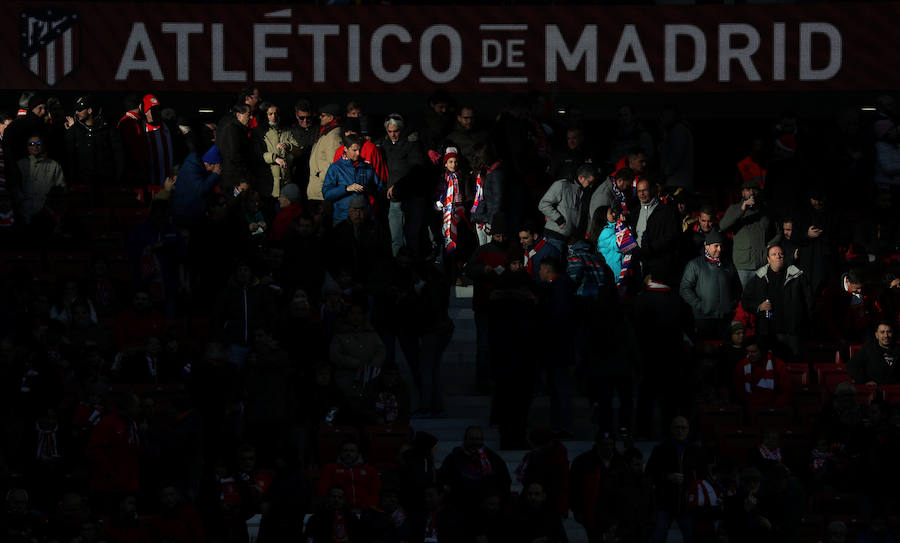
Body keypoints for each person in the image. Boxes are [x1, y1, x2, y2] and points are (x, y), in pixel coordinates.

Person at [742, 244, 812, 360]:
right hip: (768, 333)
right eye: (774, 254)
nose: (778, 256)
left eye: (781, 254)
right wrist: (759, 306)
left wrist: (804, 325)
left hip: (792, 333)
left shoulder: (797, 275)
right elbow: (745, 300)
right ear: (768, 260)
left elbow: (809, 302)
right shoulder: (759, 277)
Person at [645, 416, 706, 543]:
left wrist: (688, 479)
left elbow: (702, 475)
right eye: (677, 428)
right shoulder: (660, 449)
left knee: (691, 537)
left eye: (683, 428)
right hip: (664, 502)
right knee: (658, 537)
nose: (680, 431)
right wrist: (668, 477)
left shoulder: (695, 450)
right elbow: (649, 473)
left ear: (688, 430)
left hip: (687, 504)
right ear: (671, 429)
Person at [679, 230, 742, 339]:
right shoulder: (695, 264)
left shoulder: (728, 264)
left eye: (721, 246)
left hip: (725, 319)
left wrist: (732, 304)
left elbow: (737, 287)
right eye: (716, 246)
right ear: (707, 247)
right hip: (704, 319)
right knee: (705, 351)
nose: (720, 249)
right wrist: (700, 305)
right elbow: (684, 289)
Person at [720, 179, 778, 288]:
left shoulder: (765, 211)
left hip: (762, 263)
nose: (751, 193)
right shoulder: (735, 208)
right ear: (742, 193)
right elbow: (723, 226)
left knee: (762, 298)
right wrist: (741, 210)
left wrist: (771, 245)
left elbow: (778, 232)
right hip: (743, 266)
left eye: (754, 190)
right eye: (748, 190)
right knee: (745, 298)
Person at [438, 426, 511, 512]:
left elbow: (505, 480)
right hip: (460, 506)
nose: (475, 442)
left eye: (478, 439)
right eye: (472, 439)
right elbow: (443, 480)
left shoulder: (493, 458)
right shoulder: (453, 458)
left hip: (487, 509)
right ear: (465, 439)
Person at [64, 95, 124, 190]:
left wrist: (117, 179)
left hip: (105, 184)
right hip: (81, 185)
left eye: (80, 109)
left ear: (89, 111)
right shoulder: (73, 131)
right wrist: (72, 181)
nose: (76, 112)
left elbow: (118, 155)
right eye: (76, 109)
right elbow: (69, 157)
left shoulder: (108, 130)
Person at [321, 134, 381, 226]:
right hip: (342, 218)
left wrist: (370, 189)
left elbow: (380, 190)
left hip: (365, 219)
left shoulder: (367, 167)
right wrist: (346, 188)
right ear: (345, 149)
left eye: (359, 150)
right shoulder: (335, 168)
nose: (358, 153)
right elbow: (327, 195)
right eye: (354, 150)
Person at [538, 163, 598, 252]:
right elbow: (543, 204)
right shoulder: (562, 185)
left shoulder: (580, 192)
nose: (591, 185)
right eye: (589, 182)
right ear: (581, 178)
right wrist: (559, 220)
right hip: (553, 237)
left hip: (566, 240)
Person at [634, 178, 681, 284]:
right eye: (639, 191)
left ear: (652, 190)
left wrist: (651, 248)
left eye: (645, 190)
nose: (642, 194)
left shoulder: (667, 212)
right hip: (639, 262)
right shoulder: (635, 212)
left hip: (659, 264)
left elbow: (672, 236)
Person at [317, 440, 382, 513]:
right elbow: (323, 491)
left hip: (365, 511)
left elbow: (375, 491)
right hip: (339, 511)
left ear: (358, 453)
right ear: (341, 453)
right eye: (345, 450)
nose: (348, 453)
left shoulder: (370, 470)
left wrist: (365, 508)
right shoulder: (330, 468)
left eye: (352, 451)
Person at [15, 134, 65, 223]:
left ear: (43, 146)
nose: (35, 146)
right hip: (24, 212)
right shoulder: (20, 165)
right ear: (27, 147)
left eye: (38, 143)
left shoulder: (54, 165)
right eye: (31, 144)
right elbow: (15, 187)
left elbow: (61, 188)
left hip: (46, 213)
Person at [170, 145, 222, 227]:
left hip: (188, 214)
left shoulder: (196, 166)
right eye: (215, 168)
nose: (213, 171)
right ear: (211, 165)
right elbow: (200, 190)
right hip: (184, 217)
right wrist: (215, 175)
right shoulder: (192, 168)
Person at [733, 336, 792, 407]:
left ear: (763, 351)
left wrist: (775, 407)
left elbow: (786, 391)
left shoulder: (777, 365)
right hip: (748, 407)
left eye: (754, 352)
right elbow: (739, 390)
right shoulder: (742, 365)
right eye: (748, 351)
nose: (750, 355)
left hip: (772, 407)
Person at [258, 102, 299, 198]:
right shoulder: (261, 132)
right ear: (265, 115)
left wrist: (288, 146)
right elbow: (258, 154)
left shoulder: (286, 131)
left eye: (276, 113)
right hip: (269, 182)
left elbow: (297, 151)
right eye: (270, 114)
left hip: (286, 181)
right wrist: (274, 157)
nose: (274, 116)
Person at [307, 103, 342, 201]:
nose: (320, 117)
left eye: (323, 115)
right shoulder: (325, 133)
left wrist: (320, 176)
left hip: (321, 192)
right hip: (318, 190)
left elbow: (334, 164)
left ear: (330, 118)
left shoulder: (333, 136)